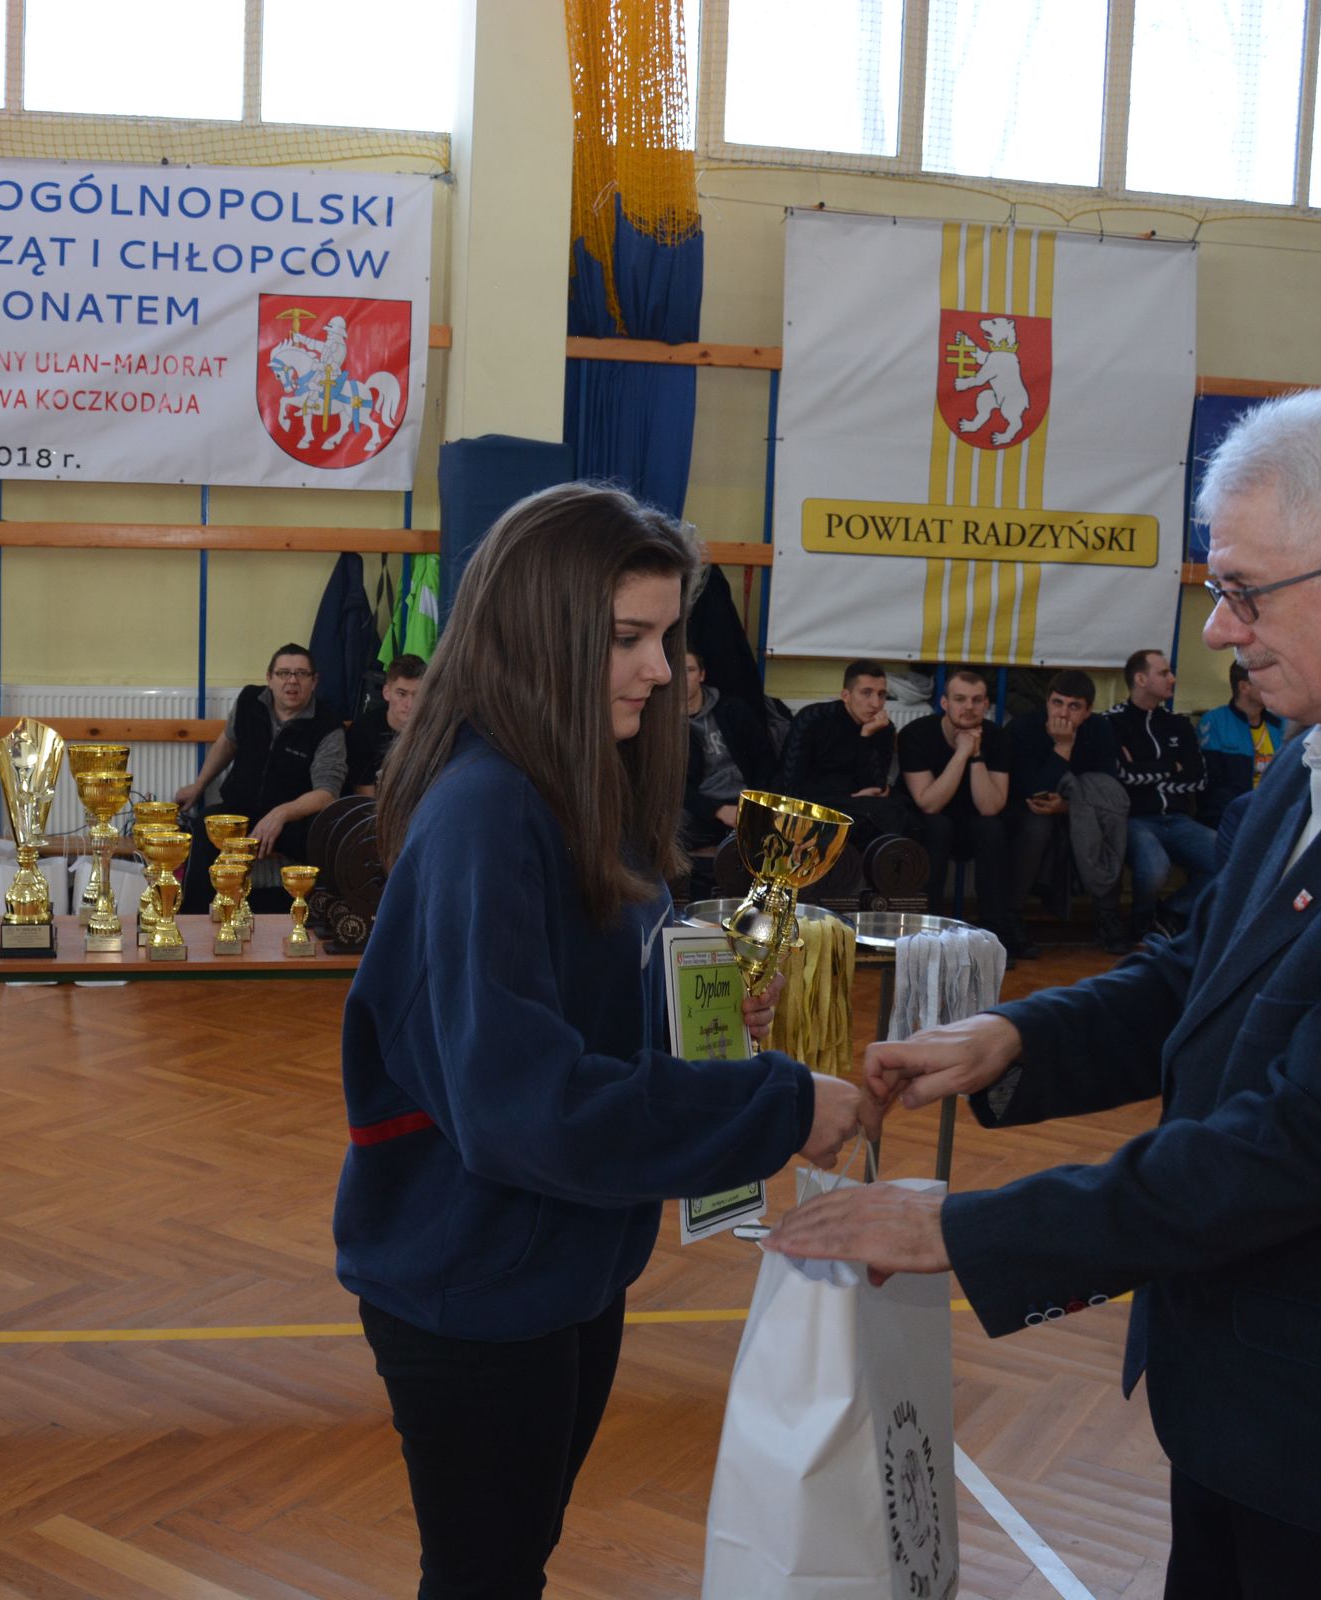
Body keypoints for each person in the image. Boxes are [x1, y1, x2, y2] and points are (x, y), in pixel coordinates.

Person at [766, 389, 1321, 1600]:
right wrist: (1015, 1033)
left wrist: (961, 1230)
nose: (1220, 629)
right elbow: (1201, 970)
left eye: (1243, 591)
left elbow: (1301, 1145)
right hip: (1243, 1396)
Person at [332, 482, 877, 1599]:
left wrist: (696, 1016)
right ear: (541, 635)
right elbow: (524, 1105)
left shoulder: (580, 784)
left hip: (565, 1261)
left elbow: (572, 1009)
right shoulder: (485, 812)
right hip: (477, 1282)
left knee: (515, 1563)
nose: (662, 669)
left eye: (665, 638)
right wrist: (777, 1105)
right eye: (629, 638)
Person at [176, 643, 347, 911]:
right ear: (269, 678)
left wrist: (281, 814)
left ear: (314, 681)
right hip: (238, 811)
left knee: (319, 844)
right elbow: (228, 742)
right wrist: (198, 786)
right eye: (283, 673)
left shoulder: (328, 726)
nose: (292, 681)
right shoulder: (249, 701)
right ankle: (194, 917)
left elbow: (327, 793)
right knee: (201, 827)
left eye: (301, 674)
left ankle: (293, 916)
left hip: (293, 823)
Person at [897, 669, 1035, 958]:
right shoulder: (916, 734)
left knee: (991, 828)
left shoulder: (997, 738)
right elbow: (928, 803)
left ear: (986, 705)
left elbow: (990, 807)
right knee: (937, 825)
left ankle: (994, 936)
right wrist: (961, 753)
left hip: (972, 822)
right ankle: (927, 935)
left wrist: (976, 755)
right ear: (944, 703)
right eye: (960, 699)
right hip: (927, 824)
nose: (969, 707)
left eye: (976, 700)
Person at [1005, 670, 1131, 955]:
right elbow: (1033, 791)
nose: (1063, 713)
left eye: (1074, 706)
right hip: (1027, 809)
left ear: (1087, 711)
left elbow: (1106, 788)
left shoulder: (1099, 729)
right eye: (1057, 703)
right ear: (1047, 702)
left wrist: (1068, 807)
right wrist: (1063, 747)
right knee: (1038, 825)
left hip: (1081, 807)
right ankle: (1011, 915)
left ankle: (1107, 915)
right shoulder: (1023, 728)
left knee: (1111, 816)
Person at [1108, 648, 1216, 937]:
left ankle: (1171, 912)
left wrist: (1146, 773)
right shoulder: (1111, 722)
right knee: (1155, 867)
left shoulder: (1179, 724)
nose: (1173, 679)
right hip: (1135, 819)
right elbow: (1123, 775)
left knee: (1232, 858)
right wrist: (1171, 766)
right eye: (1164, 673)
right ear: (1141, 679)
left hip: (1178, 820)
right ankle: (1142, 925)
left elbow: (1198, 779)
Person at [776, 660, 904, 845]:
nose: (876, 703)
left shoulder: (883, 728)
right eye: (866, 693)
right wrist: (845, 799)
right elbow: (791, 785)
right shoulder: (813, 718)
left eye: (881, 694)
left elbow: (876, 788)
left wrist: (866, 737)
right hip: (812, 803)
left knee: (892, 813)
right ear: (846, 695)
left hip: (858, 806)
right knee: (880, 816)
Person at [680, 648, 776, 854]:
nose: (682, 678)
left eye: (689, 670)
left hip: (746, 796)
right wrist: (716, 810)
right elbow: (673, 785)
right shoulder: (665, 726)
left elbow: (764, 758)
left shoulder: (732, 709)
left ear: (702, 675)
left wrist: (755, 801)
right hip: (704, 805)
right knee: (673, 825)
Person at [1197, 660, 1292, 799]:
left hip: (1275, 807)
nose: (1274, 686)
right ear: (1244, 687)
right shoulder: (1214, 722)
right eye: (1265, 680)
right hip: (1233, 809)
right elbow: (1212, 787)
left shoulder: (1282, 723)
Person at [346, 653, 425, 798]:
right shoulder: (363, 731)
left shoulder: (434, 731)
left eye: (417, 695)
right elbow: (365, 800)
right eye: (401, 694)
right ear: (386, 693)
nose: (410, 704)